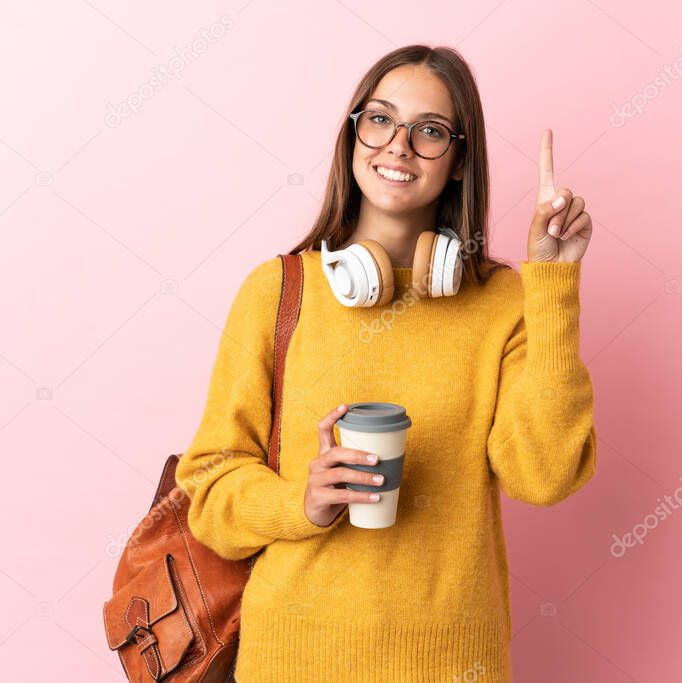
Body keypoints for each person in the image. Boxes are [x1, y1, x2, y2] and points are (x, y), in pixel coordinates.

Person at [175, 44, 597, 683]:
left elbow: (544, 476)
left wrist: (553, 285)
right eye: (379, 120)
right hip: (290, 661)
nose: (398, 146)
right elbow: (208, 491)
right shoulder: (278, 292)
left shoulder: (505, 300)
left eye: (429, 132)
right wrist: (302, 499)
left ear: (459, 162)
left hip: (454, 663)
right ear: (352, 136)